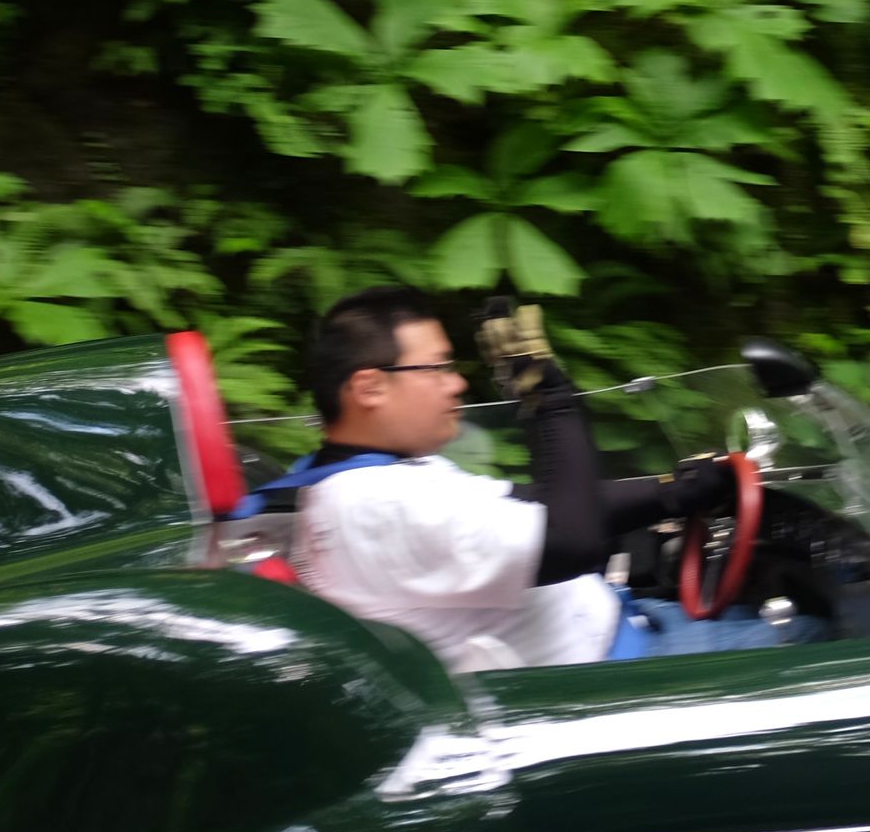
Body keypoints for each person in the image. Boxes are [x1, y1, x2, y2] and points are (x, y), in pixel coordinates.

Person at [279, 285, 824, 672]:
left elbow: (533, 506)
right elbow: (570, 538)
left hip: (622, 627)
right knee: (820, 642)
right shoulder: (378, 504)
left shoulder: (357, 476)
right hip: (612, 679)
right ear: (370, 388)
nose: (456, 384)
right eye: (437, 368)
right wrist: (550, 403)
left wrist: (674, 495)